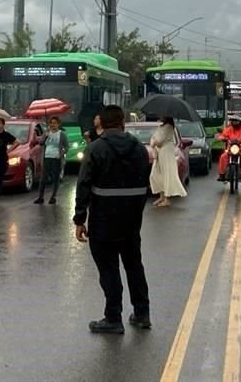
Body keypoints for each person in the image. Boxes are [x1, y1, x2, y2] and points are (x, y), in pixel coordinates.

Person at [74, 105, 152, 334]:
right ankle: (142, 313)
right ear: (122, 122)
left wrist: (80, 219)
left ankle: (113, 317)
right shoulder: (139, 148)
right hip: (131, 220)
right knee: (134, 265)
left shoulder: (96, 149)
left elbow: (84, 184)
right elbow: (144, 183)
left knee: (109, 269)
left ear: (102, 124)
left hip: (103, 220)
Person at [150, 116, 186, 207]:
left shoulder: (169, 127)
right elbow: (153, 137)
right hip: (160, 152)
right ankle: (161, 196)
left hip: (166, 152)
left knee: (167, 174)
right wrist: (153, 141)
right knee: (156, 174)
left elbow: (159, 140)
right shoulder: (161, 126)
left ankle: (167, 198)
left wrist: (154, 142)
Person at [34, 116, 68, 205]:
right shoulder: (47, 133)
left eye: (54, 123)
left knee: (55, 178)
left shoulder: (62, 134)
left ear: (58, 124)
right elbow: (41, 143)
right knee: (43, 179)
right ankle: (40, 197)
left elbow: (66, 147)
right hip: (46, 158)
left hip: (56, 159)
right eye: (51, 123)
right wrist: (45, 136)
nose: (52, 125)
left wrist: (60, 154)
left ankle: (53, 197)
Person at [217, 115, 241, 192]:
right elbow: (222, 135)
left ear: (240, 122)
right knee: (223, 157)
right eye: (233, 121)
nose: (234, 123)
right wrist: (222, 138)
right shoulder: (229, 129)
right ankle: (222, 174)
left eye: (236, 121)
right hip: (230, 149)